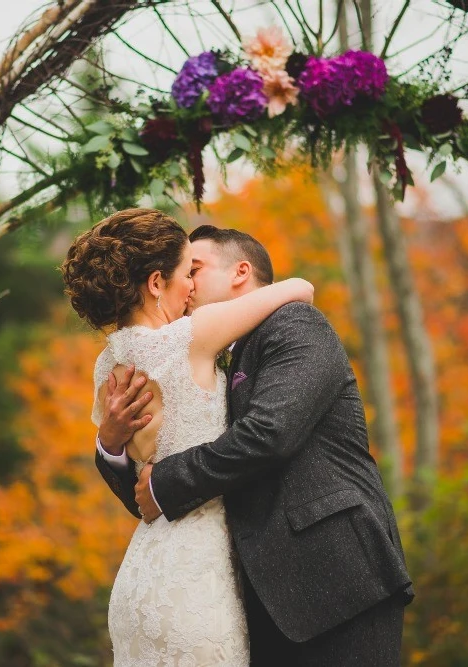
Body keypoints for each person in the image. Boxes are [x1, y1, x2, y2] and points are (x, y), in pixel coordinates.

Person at [95, 223, 414, 666]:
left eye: (196, 269)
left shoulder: (295, 324)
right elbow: (144, 500)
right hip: (246, 597)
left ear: (240, 272)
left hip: (335, 579)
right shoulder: (199, 357)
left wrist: (164, 483)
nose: (185, 284)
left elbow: (271, 433)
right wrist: (111, 444)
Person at [61, 208, 315, 666]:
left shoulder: (105, 366)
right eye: (186, 274)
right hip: (200, 573)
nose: (193, 287)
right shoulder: (190, 338)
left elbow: (133, 464)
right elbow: (301, 289)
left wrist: (109, 442)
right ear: (157, 284)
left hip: (145, 567)